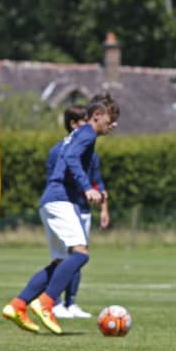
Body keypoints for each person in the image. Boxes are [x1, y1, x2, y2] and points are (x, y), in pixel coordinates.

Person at [2, 94, 119, 334]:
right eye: (111, 118)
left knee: (60, 262)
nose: (113, 124)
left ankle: (18, 305)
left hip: (51, 200)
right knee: (81, 254)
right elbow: (72, 158)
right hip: (60, 200)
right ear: (97, 115)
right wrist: (87, 188)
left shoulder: (74, 135)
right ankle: (46, 302)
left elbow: (64, 157)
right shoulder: (87, 133)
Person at [46, 105, 111, 319]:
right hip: (65, 204)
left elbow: (97, 181)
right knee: (66, 257)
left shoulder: (90, 150)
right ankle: (52, 302)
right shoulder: (59, 150)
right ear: (73, 124)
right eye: (83, 121)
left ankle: (69, 303)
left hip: (82, 208)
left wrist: (103, 207)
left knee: (77, 255)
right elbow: (58, 178)